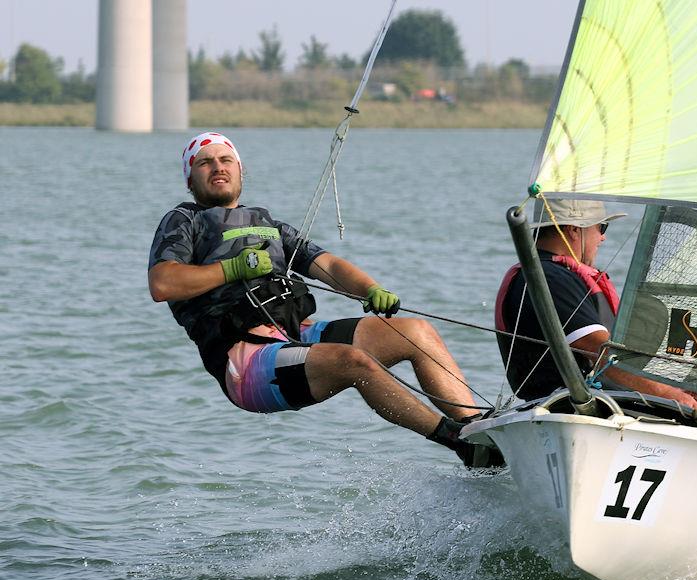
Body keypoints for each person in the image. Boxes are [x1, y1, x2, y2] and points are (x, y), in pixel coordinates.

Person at [148, 131, 503, 467]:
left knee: (415, 331)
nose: (218, 167)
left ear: (241, 170)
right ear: (190, 180)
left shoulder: (268, 225)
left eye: (226, 159)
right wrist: (233, 268)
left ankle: (476, 430)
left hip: (295, 337)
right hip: (246, 362)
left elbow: (327, 263)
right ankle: (459, 444)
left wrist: (370, 289)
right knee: (353, 361)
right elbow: (162, 283)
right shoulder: (183, 221)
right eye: (205, 163)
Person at [495, 198, 697, 409]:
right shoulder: (550, 279)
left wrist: (675, 386)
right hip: (574, 409)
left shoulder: (551, 274)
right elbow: (602, 351)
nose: (602, 237)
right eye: (601, 227)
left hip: (593, 407)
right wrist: (668, 393)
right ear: (573, 229)